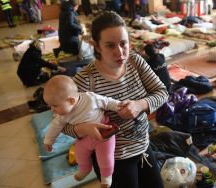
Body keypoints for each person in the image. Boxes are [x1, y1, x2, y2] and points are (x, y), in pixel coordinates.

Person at [61, 11, 168, 188]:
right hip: (113, 160)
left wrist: (140, 104)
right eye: (110, 45)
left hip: (143, 146)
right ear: (96, 46)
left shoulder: (135, 62)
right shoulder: (85, 80)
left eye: (123, 43)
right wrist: (84, 128)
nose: (120, 52)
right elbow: (61, 123)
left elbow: (162, 92)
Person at [43, 75, 120, 188]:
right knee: (80, 155)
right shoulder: (62, 114)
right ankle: (85, 170)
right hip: (84, 139)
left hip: (103, 135)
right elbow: (55, 126)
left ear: (71, 100)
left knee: (105, 158)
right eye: (50, 105)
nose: (52, 110)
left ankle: (106, 177)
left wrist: (120, 106)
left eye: (54, 106)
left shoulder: (90, 98)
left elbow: (107, 102)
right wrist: (48, 141)